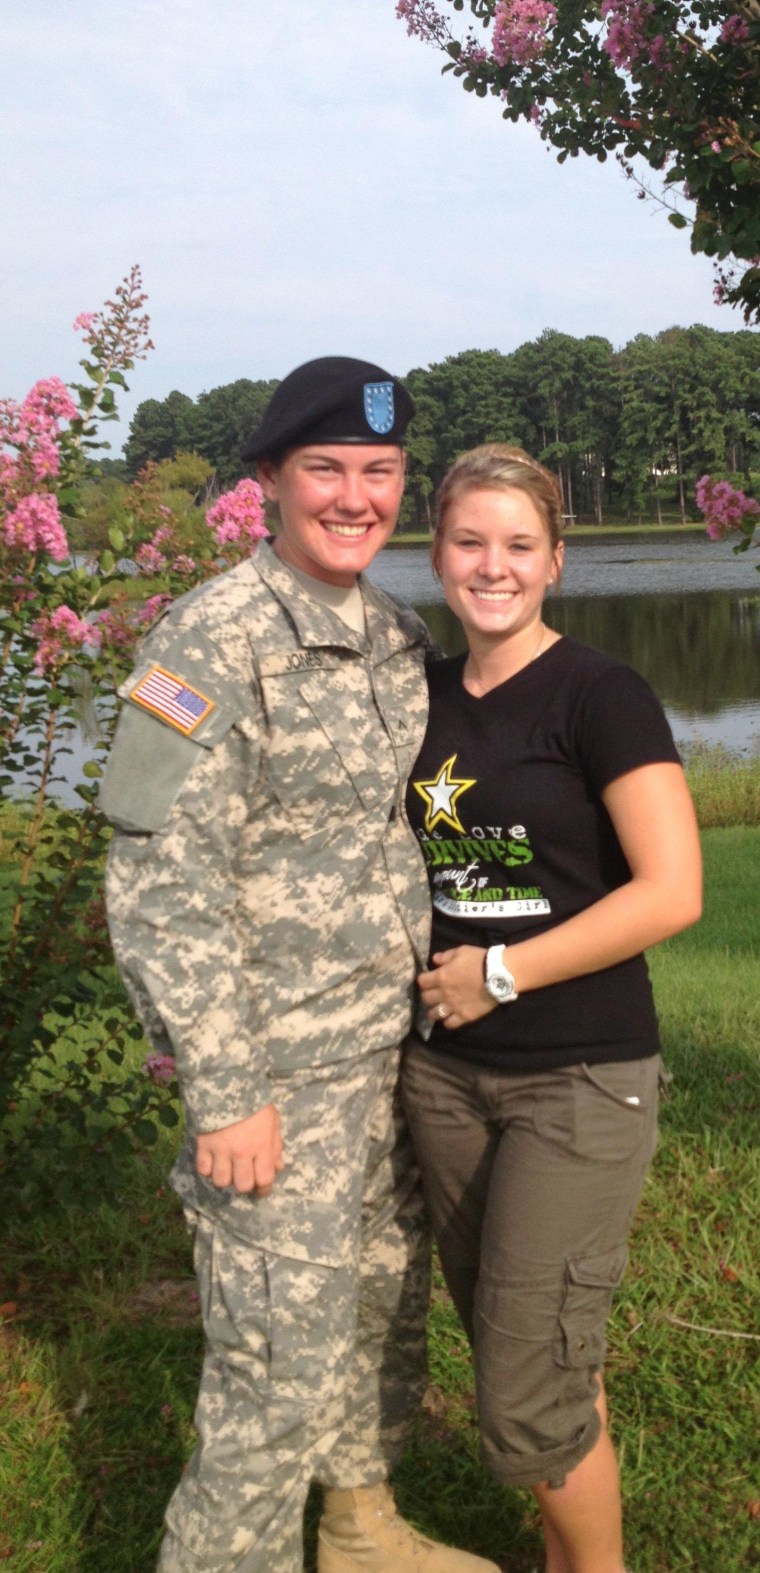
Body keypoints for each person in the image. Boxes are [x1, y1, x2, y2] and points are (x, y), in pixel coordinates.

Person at [100, 359, 499, 1573]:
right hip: (277, 1076)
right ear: (268, 480)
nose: (355, 495)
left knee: (378, 1321)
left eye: (379, 473)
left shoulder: (392, 632)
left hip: (391, 1059)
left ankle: (362, 1532)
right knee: (270, 1376)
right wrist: (226, 1090)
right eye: (325, 468)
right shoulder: (211, 638)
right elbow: (159, 878)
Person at [401, 445, 703, 1573]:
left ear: (555, 563)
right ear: (435, 555)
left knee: (526, 1387)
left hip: (577, 1079)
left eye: (517, 545)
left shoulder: (600, 694)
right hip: (443, 1079)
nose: (492, 566)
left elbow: (674, 890)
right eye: (469, 542)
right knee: (529, 1350)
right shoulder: (419, 696)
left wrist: (503, 970)